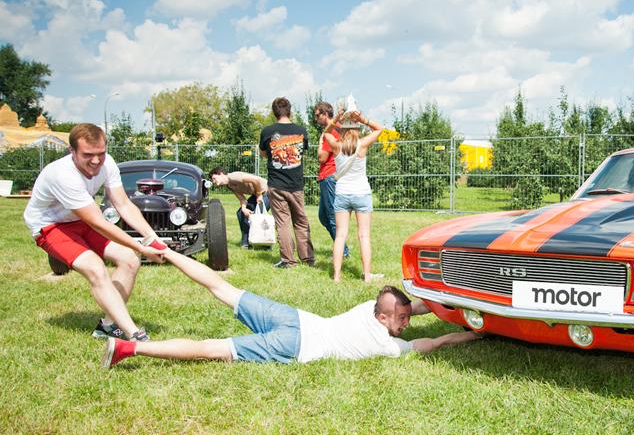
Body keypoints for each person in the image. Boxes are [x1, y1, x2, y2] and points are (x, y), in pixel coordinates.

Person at [102, 249, 481, 367]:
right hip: (294, 345)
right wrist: (477, 332)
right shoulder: (387, 346)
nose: (406, 322)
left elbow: (413, 308)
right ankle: (129, 348)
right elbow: (437, 343)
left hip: (295, 317)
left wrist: (447, 304)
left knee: (222, 288)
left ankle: (165, 251)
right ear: (383, 318)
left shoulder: (370, 306)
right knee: (211, 348)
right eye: (401, 319)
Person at [23, 123, 166, 341]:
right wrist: (141, 247)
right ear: (72, 151)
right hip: (50, 226)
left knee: (129, 259)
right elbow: (98, 222)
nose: (96, 161)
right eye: (88, 155)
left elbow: (123, 204)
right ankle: (133, 334)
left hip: (80, 220)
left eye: (101, 153)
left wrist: (151, 237)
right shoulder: (62, 175)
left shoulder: (108, 164)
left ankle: (107, 327)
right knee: (96, 268)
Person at [320, 110, 383, 283]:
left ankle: (336, 276)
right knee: (364, 236)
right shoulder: (362, 144)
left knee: (340, 236)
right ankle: (367, 276)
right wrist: (363, 119)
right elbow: (379, 129)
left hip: (342, 193)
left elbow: (325, 132)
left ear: (341, 130)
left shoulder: (336, 146)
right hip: (362, 193)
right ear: (357, 129)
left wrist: (336, 119)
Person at [259, 97, 314, 268]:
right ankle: (308, 259)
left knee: (283, 223)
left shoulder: (267, 131)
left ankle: (289, 261)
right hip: (296, 185)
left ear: (274, 112)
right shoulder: (301, 130)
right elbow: (301, 153)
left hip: (276, 185)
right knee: (301, 222)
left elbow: (263, 154)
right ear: (289, 110)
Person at [312, 101, 349, 259]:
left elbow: (322, 157)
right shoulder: (338, 128)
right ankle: (341, 247)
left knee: (332, 216)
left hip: (329, 176)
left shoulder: (331, 130)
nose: (316, 119)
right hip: (328, 176)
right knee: (323, 216)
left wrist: (320, 142)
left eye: (317, 115)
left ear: (325, 114)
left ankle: (343, 251)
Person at [209, 167, 269, 249]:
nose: (213, 181)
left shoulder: (234, 177)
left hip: (268, 192)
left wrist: (259, 195)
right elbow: (242, 199)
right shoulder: (229, 185)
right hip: (257, 194)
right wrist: (244, 209)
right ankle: (246, 243)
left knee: (258, 216)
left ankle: (266, 244)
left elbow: (256, 180)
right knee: (241, 213)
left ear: (221, 174)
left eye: (214, 178)